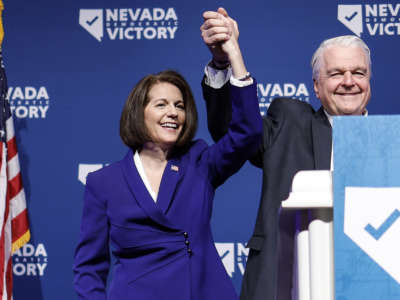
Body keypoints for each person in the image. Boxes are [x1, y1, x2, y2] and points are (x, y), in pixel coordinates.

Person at [73, 26, 263, 300]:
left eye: (179, 105)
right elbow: (89, 268)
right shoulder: (103, 183)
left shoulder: (199, 162)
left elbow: (248, 133)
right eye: (161, 104)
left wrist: (232, 55)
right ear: (139, 112)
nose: (173, 112)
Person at [201, 7, 371, 300]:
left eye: (358, 72)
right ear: (317, 87)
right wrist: (225, 60)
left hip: (370, 281)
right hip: (290, 280)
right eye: (335, 74)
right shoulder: (290, 122)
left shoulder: (391, 143)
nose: (348, 81)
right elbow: (237, 131)